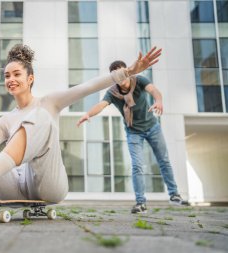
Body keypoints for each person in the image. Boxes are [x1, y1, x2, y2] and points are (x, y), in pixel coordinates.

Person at [0, 44, 161, 204]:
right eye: (7, 76)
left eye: (16, 74)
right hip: (16, 185)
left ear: (30, 79)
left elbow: (87, 87)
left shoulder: (50, 102)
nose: (11, 79)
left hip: (49, 184)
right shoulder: (6, 120)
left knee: (41, 116)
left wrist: (127, 72)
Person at [77, 60, 188, 213]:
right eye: (117, 76)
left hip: (152, 127)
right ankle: (140, 203)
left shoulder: (139, 80)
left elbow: (154, 90)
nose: (121, 79)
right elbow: (101, 104)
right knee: (137, 166)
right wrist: (88, 114)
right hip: (133, 132)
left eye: (123, 74)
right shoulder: (112, 92)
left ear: (127, 72)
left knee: (164, 160)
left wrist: (159, 101)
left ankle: (174, 195)